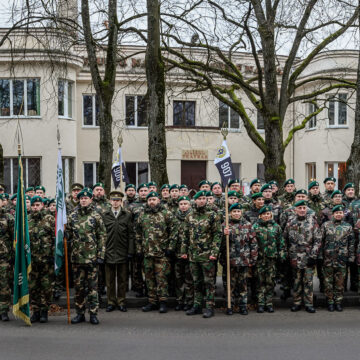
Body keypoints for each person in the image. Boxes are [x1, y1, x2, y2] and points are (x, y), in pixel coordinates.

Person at [66, 188, 106, 325]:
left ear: (91, 199)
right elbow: (69, 235)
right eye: (81, 198)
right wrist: (65, 235)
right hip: (77, 258)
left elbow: (102, 236)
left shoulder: (96, 215)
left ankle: (93, 314)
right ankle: (80, 313)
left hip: (92, 258)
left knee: (93, 288)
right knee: (79, 288)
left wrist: (101, 254)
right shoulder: (73, 216)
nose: (83, 200)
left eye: (86, 198)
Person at [181, 190, 222, 319]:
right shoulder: (190, 216)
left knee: (208, 283)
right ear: (195, 200)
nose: (202, 200)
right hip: (193, 255)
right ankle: (197, 305)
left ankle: (210, 307)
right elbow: (185, 234)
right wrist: (183, 251)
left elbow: (217, 235)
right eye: (199, 198)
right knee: (196, 282)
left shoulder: (213, 215)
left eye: (204, 198)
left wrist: (214, 252)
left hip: (207, 255)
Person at [136, 191, 175, 313]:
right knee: (149, 279)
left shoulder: (166, 213)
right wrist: (139, 249)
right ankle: (152, 301)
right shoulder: (142, 215)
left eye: (154, 199)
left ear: (158, 200)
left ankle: (163, 302)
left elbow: (174, 232)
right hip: (147, 253)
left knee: (161, 279)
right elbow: (137, 233)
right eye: (149, 200)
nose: (151, 202)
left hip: (162, 253)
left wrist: (170, 248)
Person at [283, 200, 321, 313]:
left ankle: (309, 304)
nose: (302, 210)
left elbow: (318, 240)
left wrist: (313, 256)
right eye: (300, 208)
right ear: (295, 210)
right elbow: (284, 240)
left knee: (308, 281)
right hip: (294, 257)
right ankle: (297, 303)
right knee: (296, 281)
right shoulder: (290, 222)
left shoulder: (312, 222)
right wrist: (286, 255)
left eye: (304, 208)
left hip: (308, 256)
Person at [222, 203, 258, 315]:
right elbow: (221, 245)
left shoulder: (248, 225)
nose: (236, 213)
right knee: (230, 285)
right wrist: (224, 235)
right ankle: (230, 305)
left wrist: (253, 259)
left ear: (241, 212)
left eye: (238, 211)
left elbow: (253, 243)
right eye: (234, 212)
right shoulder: (225, 225)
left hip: (244, 260)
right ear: (230, 213)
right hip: (230, 260)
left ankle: (243, 306)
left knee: (243, 284)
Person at [103, 191, 135, 312]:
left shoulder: (127, 215)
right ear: (110, 201)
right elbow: (101, 234)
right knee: (110, 280)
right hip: (109, 251)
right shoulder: (105, 215)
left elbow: (131, 234)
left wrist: (130, 251)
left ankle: (121, 302)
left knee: (122, 280)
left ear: (121, 201)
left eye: (118, 200)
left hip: (122, 251)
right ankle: (111, 302)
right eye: (113, 200)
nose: (115, 202)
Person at [320, 205, 355, 311]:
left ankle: (338, 302)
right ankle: (330, 302)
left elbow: (351, 243)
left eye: (340, 213)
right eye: (337, 213)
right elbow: (320, 241)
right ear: (333, 214)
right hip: (328, 259)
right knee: (328, 282)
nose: (339, 214)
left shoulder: (348, 227)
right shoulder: (326, 225)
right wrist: (320, 256)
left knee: (340, 282)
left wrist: (351, 257)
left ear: (343, 214)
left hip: (342, 259)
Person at [252, 205, 286, 313]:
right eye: (264, 214)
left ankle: (269, 302)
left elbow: (281, 243)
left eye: (268, 214)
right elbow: (252, 243)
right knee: (260, 281)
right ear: (260, 215)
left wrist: (282, 254)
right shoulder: (255, 227)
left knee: (270, 281)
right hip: (260, 259)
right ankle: (261, 303)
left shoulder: (276, 227)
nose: (267, 216)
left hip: (272, 259)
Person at [28, 196, 55, 323]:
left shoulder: (49, 219)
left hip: (46, 260)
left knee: (46, 287)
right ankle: (36, 311)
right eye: (33, 205)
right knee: (33, 287)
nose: (35, 207)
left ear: (42, 206)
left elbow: (56, 239)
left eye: (38, 205)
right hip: (32, 261)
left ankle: (44, 311)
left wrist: (54, 255)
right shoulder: (27, 220)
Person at [170, 196, 194, 311]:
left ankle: (189, 301)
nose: (183, 205)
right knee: (178, 278)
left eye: (185, 203)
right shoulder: (174, 217)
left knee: (189, 278)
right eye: (181, 204)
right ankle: (180, 300)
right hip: (177, 252)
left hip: (190, 253)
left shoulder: (193, 217)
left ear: (189, 205)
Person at [0, 194, 14, 322]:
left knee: (4, 285)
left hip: (4, 257)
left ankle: (3, 310)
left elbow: (13, 237)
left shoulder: (8, 217)